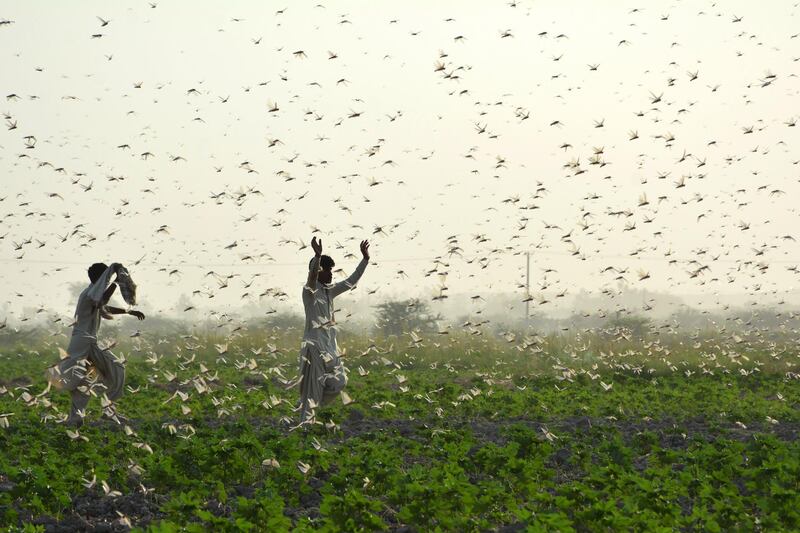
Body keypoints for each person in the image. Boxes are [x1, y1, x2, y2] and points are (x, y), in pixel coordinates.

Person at [47, 262, 145, 427]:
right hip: (84, 342)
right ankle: (91, 415)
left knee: (87, 380)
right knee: (106, 372)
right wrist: (116, 282)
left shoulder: (92, 293)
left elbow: (104, 306)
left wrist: (128, 311)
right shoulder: (90, 294)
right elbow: (102, 302)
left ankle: (90, 415)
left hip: (86, 341)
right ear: (101, 278)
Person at [296, 237, 370, 426]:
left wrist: (365, 259)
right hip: (314, 349)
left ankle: (305, 406)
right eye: (326, 270)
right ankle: (305, 426)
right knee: (312, 390)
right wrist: (317, 256)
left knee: (339, 382)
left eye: (330, 270)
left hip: (330, 349)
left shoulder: (330, 292)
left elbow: (351, 281)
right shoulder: (309, 291)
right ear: (318, 271)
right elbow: (312, 278)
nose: (330, 274)